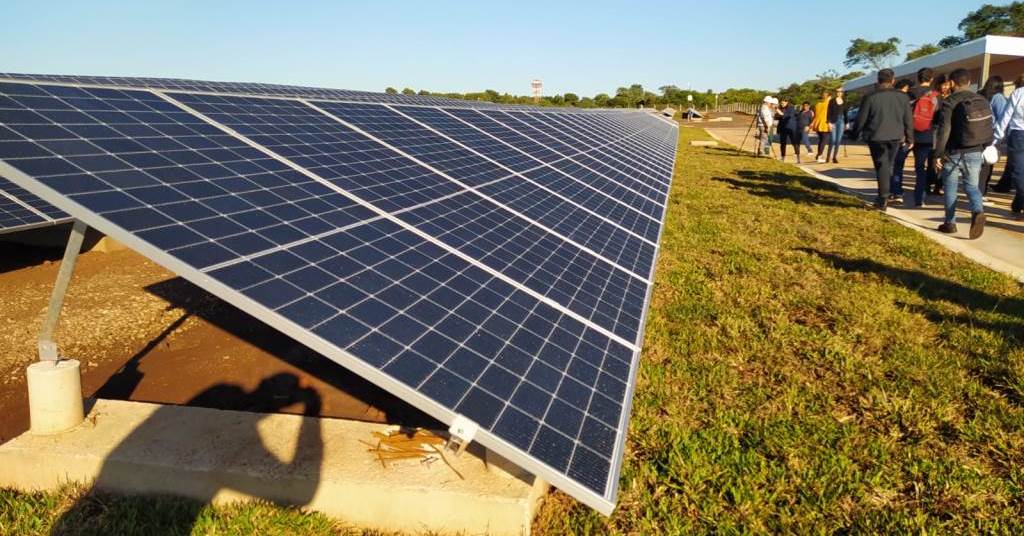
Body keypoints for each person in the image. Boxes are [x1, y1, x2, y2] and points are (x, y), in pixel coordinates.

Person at [934, 68, 992, 238]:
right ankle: (977, 211)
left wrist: (938, 153)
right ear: (968, 82)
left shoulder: (950, 101)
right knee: (972, 186)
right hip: (975, 149)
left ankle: (950, 223)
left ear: (952, 82)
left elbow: (944, 130)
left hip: (953, 151)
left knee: (950, 186)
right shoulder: (981, 99)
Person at [853, 68, 914, 210]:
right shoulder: (903, 97)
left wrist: (855, 134)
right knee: (888, 165)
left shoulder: (870, 96)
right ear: (893, 80)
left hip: (876, 136)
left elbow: (861, 119)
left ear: (878, 81)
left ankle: (883, 197)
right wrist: (910, 137)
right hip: (895, 137)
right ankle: (886, 194)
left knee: (881, 165)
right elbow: (908, 120)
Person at [992, 72, 1024, 220]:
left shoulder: (1018, 93)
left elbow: (1006, 116)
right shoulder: (1018, 93)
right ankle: (1019, 200)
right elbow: (1006, 115)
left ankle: (1019, 200)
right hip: (1017, 134)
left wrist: (996, 138)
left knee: (1018, 170)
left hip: (1017, 135)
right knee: (1018, 171)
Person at [909, 68, 938, 207]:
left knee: (897, 163)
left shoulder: (910, 92)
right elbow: (939, 118)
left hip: (909, 134)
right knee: (922, 167)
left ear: (918, 78)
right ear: (931, 79)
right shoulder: (935, 96)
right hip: (927, 135)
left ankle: (895, 191)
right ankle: (919, 197)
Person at [978, 76, 1007, 197]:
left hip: (978, 132)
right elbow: (1002, 116)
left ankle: (977, 189)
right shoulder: (998, 97)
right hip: (991, 134)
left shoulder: (980, 94)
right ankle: (981, 192)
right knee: (988, 162)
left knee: (979, 163)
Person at [889, 79, 914, 204]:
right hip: (902, 138)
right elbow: (908, 121)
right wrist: (910, 138)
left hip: (889, 136)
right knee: (898, 166)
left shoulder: (890, 99)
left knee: (890, 165)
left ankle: (890, 191)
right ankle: (897, 191)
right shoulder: (906, 101)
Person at [827, 88, 849, 163]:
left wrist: (847, 123)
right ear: (836, 92)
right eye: (837, 92)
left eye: (840, 92)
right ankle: (828, 156)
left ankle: (834, 157)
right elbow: (828, 112)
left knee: (838, 141)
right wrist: (829, 122)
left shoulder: (845, 102)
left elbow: (846, 113)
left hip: (841, 121)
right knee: (832, 140)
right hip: (833, 121)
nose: (839, 93)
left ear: (842, 93)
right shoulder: (832, 101)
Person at [811, 90, 833, 162]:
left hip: (817, 123)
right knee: (824, 141)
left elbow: (815, 114)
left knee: (821, 140)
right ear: (829, 96)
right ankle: (820, 156)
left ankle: (819, 155)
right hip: (825, 124)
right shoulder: (829, 104)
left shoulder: (818, 104)